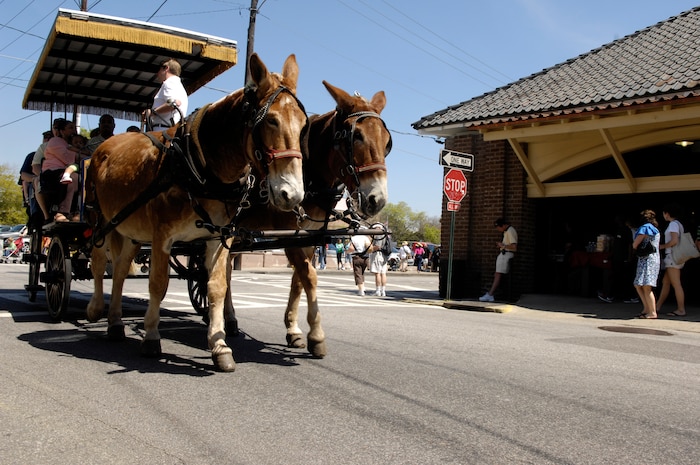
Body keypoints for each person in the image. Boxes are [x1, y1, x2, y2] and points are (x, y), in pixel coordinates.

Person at [40, 119, 81, 222]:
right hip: (53, 171)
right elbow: (66, 157)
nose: (74, 131)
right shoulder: (55, 141)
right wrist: (83, 155)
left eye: (75, 128)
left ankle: (78, 212)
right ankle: (62, 212)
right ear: (62, 131)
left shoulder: (73, 143)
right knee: (72, 178)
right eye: (70, 128)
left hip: (71, 169)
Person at [656, 204, 686, 317]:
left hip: (672, 257)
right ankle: (657, 306)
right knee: (666, 282)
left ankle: (681, 309)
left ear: (667, 214)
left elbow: (674, 241)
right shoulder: (678, 224)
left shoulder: (673, 225)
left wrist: (662, 246)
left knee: (676, 284)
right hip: (674, 257)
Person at [142, 58, 188, 131]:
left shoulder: (169, 83)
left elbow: (174, 103)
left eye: (159, 70)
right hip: (170, 129)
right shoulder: (178, 85)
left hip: (162, 130)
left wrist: (152, 112)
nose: (157, 73)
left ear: (166, 68)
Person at [480, 218, 518, 302]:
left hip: (506, 254)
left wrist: (503, 246)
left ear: (503, 225)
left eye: (499, 227)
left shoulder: (510, 231)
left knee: (498, 274)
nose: (498, 230)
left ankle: (491, 294)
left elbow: (514, 246)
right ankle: (492, 293)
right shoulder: (507, 231)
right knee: (498, 274)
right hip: (505, 253)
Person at [631, 209, 661, 319]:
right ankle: (646, 309)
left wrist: (634, 247)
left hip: (647, 259)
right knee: (640, 284)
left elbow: (635, 244)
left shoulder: (645, 228)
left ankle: (652, 312)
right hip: (653, 259)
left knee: (645, 286)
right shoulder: (655, 229)